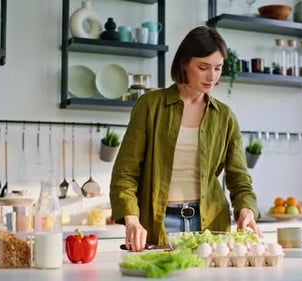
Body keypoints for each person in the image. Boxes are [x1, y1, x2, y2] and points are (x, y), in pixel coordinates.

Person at [109, 25, 262, 252]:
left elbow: (239, 179)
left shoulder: (225, 117)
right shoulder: (150, 106)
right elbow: (126, 172)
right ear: (184, 63)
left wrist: (246, 210)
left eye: (218, 68)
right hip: (160, 223)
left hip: (211, 226)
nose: (212, 77)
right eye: (203, 67)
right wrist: (132, 219)